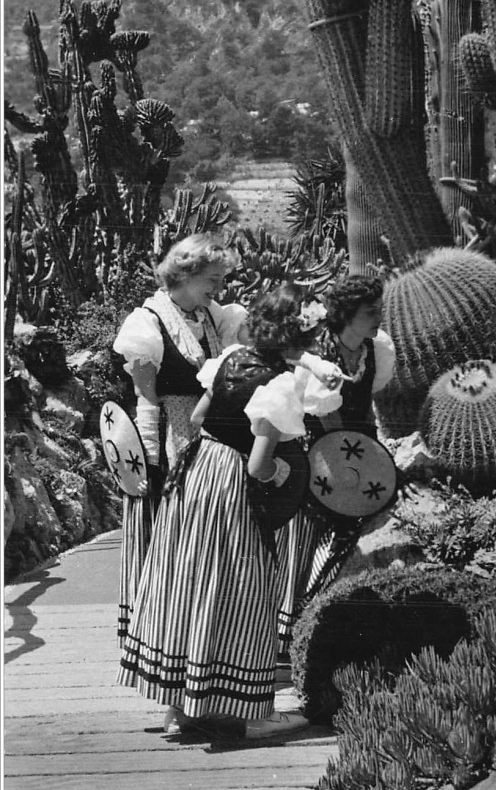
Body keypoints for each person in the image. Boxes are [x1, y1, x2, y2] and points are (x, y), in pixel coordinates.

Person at [117, 284, 343, 741]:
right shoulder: (278, 386)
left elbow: (199, 418)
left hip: (198, 473)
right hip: (234, 488)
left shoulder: (231, 358)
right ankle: (251, 712)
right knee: (242, 587)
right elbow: (260, 464)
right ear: (299, 337)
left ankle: (181, 706)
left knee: (190, 583)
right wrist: (285, 470)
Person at [112, 233, 245, 644]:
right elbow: (145, 397)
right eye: (213, 278)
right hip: (172, 434)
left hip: (208, 435)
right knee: (170, 527)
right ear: (186, 275)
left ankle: (200, 623)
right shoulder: (149, 324)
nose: (219, 287)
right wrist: (151, 457)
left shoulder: (211, 317)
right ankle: (160, 624)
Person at [277, 274, 396, 653]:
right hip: (323, 457)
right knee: (319, 541)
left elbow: (369, 407)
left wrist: (377, 457)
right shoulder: (320, 359)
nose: (378, 317)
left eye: (379, 309)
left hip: (359, 450)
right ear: (345, 315)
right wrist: (355, 464)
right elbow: (330, 426)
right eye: (369, 312)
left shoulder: (376, 349)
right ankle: (295, 632)